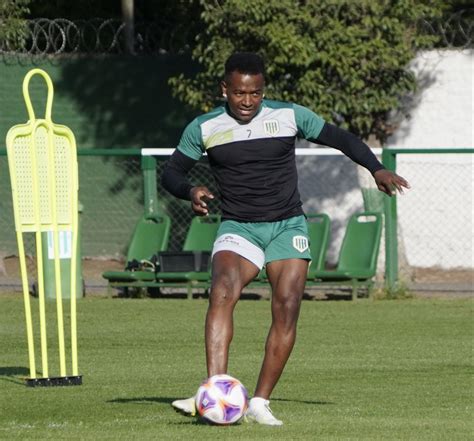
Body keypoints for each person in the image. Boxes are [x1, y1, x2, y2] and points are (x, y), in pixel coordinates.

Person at [161, 52, 410, 426]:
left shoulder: (289, 115)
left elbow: (339, 137)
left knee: (287, 304)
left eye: (256, 93)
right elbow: (171, 173)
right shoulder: (204, 127)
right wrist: (190, 190)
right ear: (224, 89)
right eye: (240, 93)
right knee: (222, 291)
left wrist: (375, 168)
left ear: (264, 91)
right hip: (239, 227)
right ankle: (216, 389)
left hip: (287, 226)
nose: (248, 101)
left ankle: (260, 401)